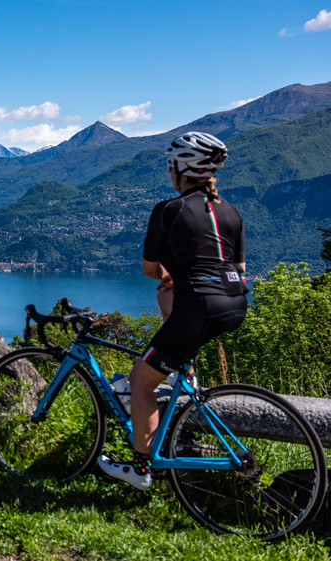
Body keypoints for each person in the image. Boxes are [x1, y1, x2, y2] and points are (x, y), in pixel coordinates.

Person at [97, 132, 249, 490]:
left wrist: (170, 276)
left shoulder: (170, 210)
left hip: (198, 306)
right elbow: (238, 269)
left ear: (181, 169)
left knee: (139, 381)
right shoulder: (231, 211)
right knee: (174, 316)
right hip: (234, 303)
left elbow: (150, 269)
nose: (170, 172)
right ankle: (186, 375)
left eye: (172, 166)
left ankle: (141, 468)